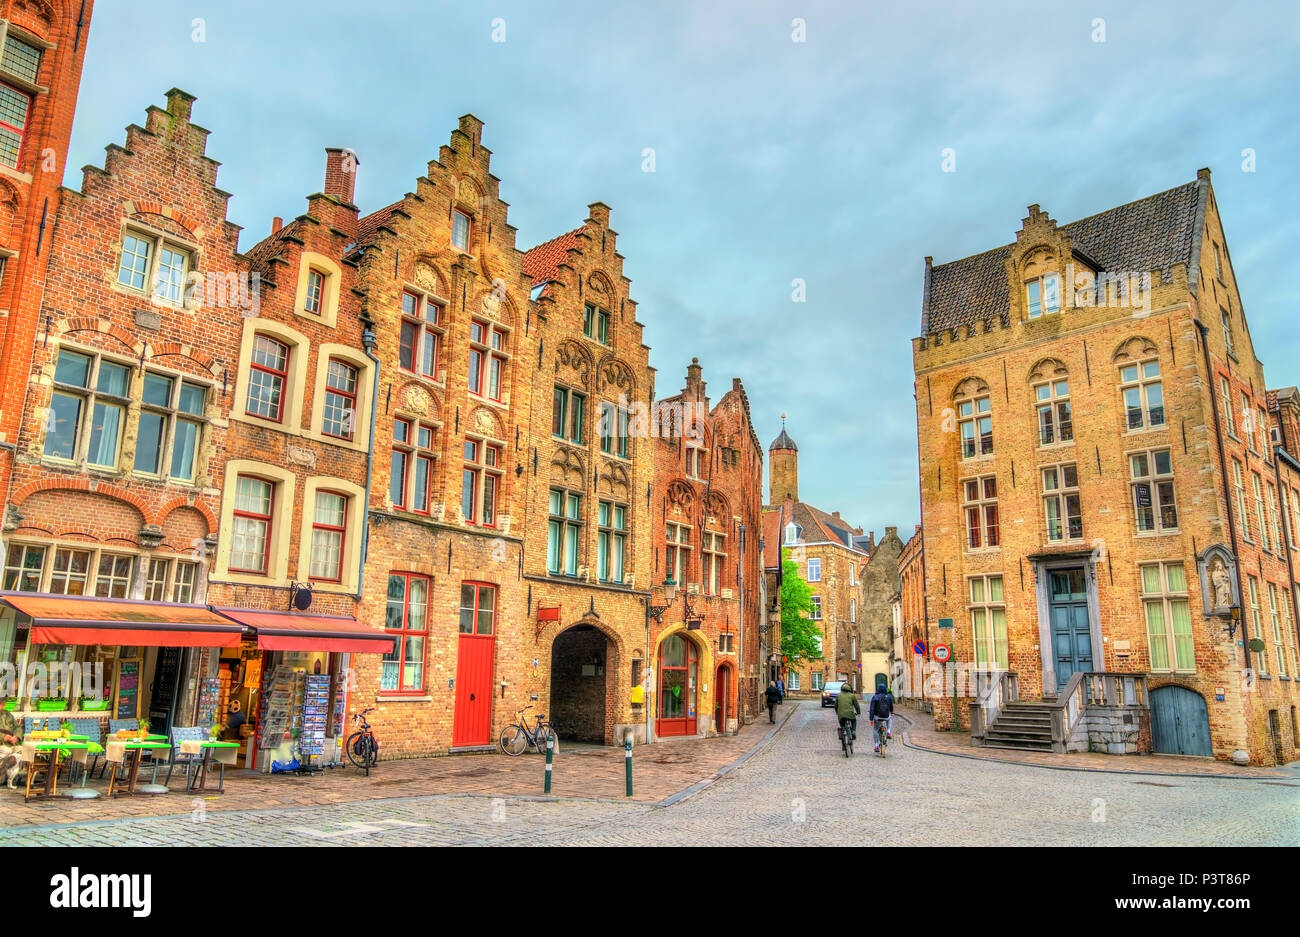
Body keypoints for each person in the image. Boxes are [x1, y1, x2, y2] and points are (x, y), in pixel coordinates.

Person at [869, 683, 894, 752]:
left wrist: (871, 719)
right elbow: (891, 707)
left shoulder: (875, 697)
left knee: (875, 729)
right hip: (886, 716)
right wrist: (891, 712)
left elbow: (872, 709)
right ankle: (888, 731)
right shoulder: (889, 697)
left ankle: (876, 746)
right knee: (890, 718)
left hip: (877, 717)